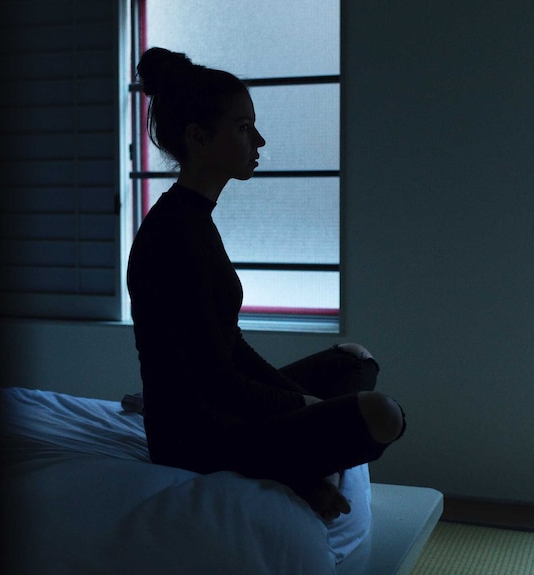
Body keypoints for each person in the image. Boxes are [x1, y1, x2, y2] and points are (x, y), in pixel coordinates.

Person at [127, 47, 405, 521]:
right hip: (195, 437)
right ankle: (299, 472)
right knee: (382, 415)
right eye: (242, 127)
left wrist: (300, 402)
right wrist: (302, 405)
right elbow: (216, 379)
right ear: (199, 137)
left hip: (224, 408)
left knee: (353, 359)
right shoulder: (171, 237)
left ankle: (300, 467)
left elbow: (232, 346)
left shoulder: (194, 219)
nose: (258, 140)